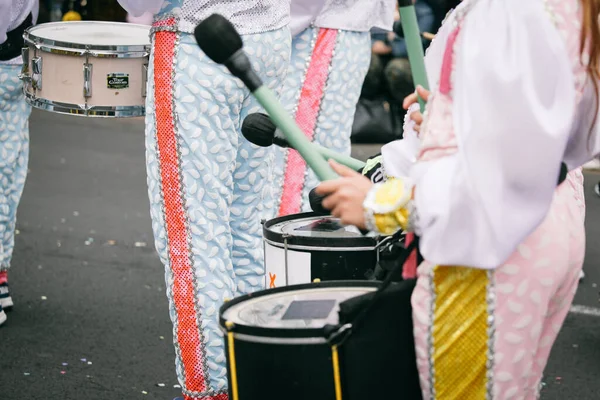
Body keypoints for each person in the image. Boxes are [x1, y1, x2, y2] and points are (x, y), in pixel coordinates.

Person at [316, 0, 595, 397]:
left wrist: (379, 203)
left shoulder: (506, 11)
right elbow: (548, 130)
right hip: (552, 223)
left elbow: (500, 175)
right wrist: (448, 118)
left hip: (490, 256)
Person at [116, 1, 291, 399]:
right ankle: (255, 377)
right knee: (247, 223)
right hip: (270, 35)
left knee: (193, 233)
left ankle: (212, 388)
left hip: (199, 41)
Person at [274, 0, 396, 216]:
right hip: (329, 25)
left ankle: (303, 241)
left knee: (299, 159)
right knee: (311, 154)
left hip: (320, 26)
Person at [0, 1, 39, 327]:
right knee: (9, 174)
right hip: (18, 63)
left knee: (8, 175)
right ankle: (0, 276)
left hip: (11, 64)